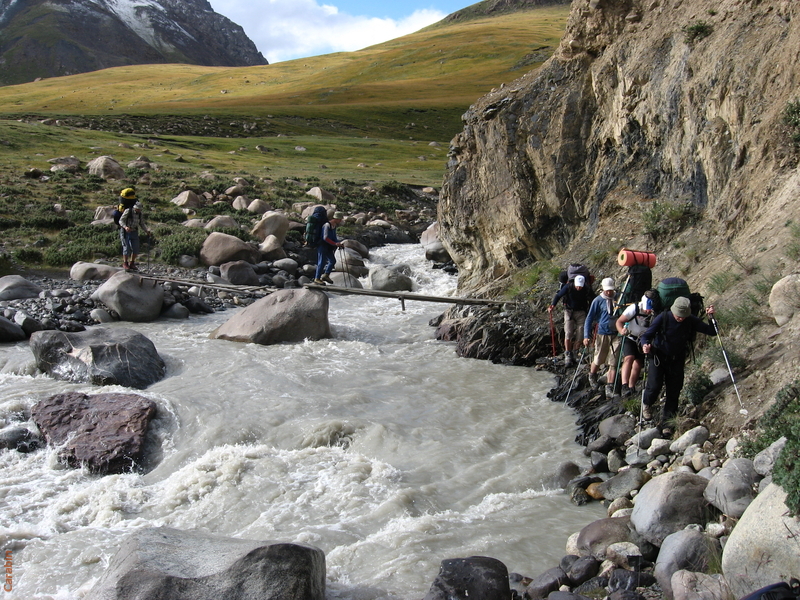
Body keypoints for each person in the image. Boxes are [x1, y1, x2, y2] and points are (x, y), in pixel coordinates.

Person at [640, 296, 717, 433]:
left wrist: (711, 317)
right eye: (678, 315)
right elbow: (646, 335)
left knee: (674, 390)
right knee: (655, 385)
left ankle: (668, 424)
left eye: (683, 316)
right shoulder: (662, 318)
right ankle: (647, 404)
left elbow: (711, 332)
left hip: (677, 358)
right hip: (658, 356)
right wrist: (645, 345)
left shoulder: (690, 320)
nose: (680, 318)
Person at [583, 277, 621, 397]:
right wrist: (586, 335)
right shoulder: (598, 301)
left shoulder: (618, 297)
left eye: (611, 290)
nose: (609, 292)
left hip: (616, 333)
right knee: (599, 358)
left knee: (614, 361)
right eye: (607, 290)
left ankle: (609, 387)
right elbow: (589, 318)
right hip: (602, 333)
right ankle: (592, 376)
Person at [615, 291, 657, 397]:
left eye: (650, 309)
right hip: (630, 337)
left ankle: (631, 387)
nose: (648, 311)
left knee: (638, 363)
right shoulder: (634, 309)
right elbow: (619, 322)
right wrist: (621, 331)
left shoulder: (654, 312)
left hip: (643, 340)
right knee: (629, 358)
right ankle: (624, 385)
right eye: (647, 308)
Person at [549, 274, 595, 367]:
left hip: (581, 312)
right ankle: (568, 354)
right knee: (568, 333)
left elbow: (594, 298)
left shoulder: (586, 289)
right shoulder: (568, 287)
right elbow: (558, 295)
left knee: (580, 333)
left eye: (580, 286)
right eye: (577, 285)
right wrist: (553, 305)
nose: (579, 287)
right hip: (569, 311)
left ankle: (575, 352)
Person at [119, 201, 152, 272]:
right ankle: (125, 263)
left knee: (136, 248)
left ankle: (132, 263)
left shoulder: (140, 214)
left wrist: (146, 231)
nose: (138, 210)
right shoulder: (128, 211)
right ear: (135, 208)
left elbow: (142, 223)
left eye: (140, 209)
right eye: (138, 209)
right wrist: (125, 227)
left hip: (134, 231)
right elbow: (121, 221)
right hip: (126, 231)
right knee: (126, 247)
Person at [314, 211, 344, 284]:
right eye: (340, 219)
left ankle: (326, 275)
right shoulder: (327, 225)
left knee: (332, 261)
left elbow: (334, 237)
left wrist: (338, 243)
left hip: (328, 246)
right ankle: (317, 279)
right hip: (322, 245)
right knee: (322, 262)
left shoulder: (334, 226)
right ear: (336, 219)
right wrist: (335, 244)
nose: (340, 221)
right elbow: (325, 237)